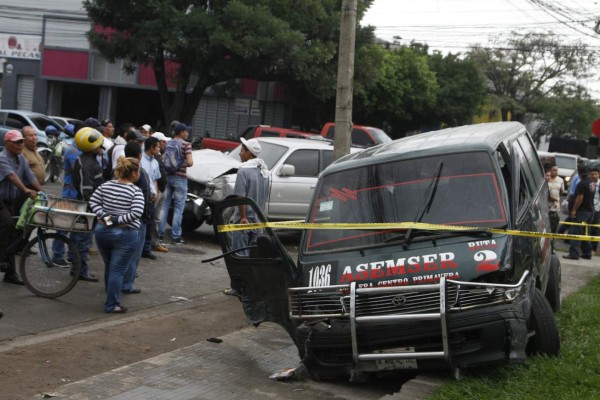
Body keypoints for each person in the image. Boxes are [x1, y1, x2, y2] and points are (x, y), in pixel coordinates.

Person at [89, 157, 144, 313]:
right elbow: (137, 212)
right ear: (133, 173)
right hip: (125, 235)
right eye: (138, 170)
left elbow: (93, 202)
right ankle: (112, 304)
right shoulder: (135, 191)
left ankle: (110, 295)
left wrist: (107, 219)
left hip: (102, 232)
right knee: (118, 270)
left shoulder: (106, 185)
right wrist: (117, 221)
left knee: (110, 266)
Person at [224, 138, 269, 296]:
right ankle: (251, 288)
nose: (240, 153)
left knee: (239, 255)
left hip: (243, 221)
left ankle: (238, 288)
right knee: (254, 257)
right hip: (258, 221)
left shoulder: (243, 171)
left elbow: (240, 197)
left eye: (242, 150)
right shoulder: (265, 172)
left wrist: (242, 217)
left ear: (249, 153)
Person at [0, 130, 42, 285]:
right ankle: (1, 257)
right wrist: (25, 189)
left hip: (11, 200)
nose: (20, 145)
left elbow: (30, 176)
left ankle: (10, 274)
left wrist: (41, 192)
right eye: (16, 142)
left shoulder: (21, 158)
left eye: (21, 142)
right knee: (7, 223)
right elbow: (11, 176)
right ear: (7, 143)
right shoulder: (2, 158)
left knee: (13, 234)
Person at [70, 127, 106, 282]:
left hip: (89, 207)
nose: (101, 148)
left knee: (82, 239)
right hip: (87, 208)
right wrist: (95, 209)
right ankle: (80, 271)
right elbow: (86, 190)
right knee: (83, 240)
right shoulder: (86, 163)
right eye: (99, 145)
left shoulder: (90, 160)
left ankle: (76, 268)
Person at [121, 142, 152, 294]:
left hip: (122, 219)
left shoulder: (120, 169)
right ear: (140, 155)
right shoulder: (137, 172)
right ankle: (126, 284)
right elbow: (145, 199)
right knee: (133, 256)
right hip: (136, 220)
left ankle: (118, 283)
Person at [158, 123, 193, 244]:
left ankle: (160, 234)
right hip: (180, 179)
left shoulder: (168, 143)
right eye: (186, 131)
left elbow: (164, 159)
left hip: (168, 177)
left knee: (164, 205)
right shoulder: (186, 145)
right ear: (182, 132)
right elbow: (190, 162)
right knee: (178, 208)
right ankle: (176, 236)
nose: (187, 133)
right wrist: (182, 163)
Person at [563, 164, 594, 260]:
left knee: (575, 232)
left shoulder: (581, 184)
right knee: (585, 232)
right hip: (590, 211)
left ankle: (574, 254)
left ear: (579, 173)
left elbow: (579, 198)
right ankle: (587, 253)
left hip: (581, 212)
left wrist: (574, 210)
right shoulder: (591, 183)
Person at [140, 137, 161, 259]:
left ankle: (146, 249)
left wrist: (156, 192)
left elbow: (155, 179)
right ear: (151, 147)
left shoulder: (155, 162)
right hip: (141, 196)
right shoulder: (140, 160)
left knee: (149, 223)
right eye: (157, 146)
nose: (159, 149)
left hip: (151, 198)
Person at [150, 132, 169, 253]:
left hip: (161, 190)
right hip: (156, 191)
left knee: (156, 218)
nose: (164, 144)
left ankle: (154, 243)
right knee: (151, 218)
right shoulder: (152, 158)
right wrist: (156, 191)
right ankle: (150, 243)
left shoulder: (158, 156)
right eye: (162, 142)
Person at [546, 165, 565, 234]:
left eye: (557, 170)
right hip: (545, 206)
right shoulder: (546, 180)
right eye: (554, 170)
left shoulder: (560, 180)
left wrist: (555, 200)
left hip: (555, 207)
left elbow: (561, 192)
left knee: (554, 224)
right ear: (550, 171)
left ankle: (552, 240)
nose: (556, 172)